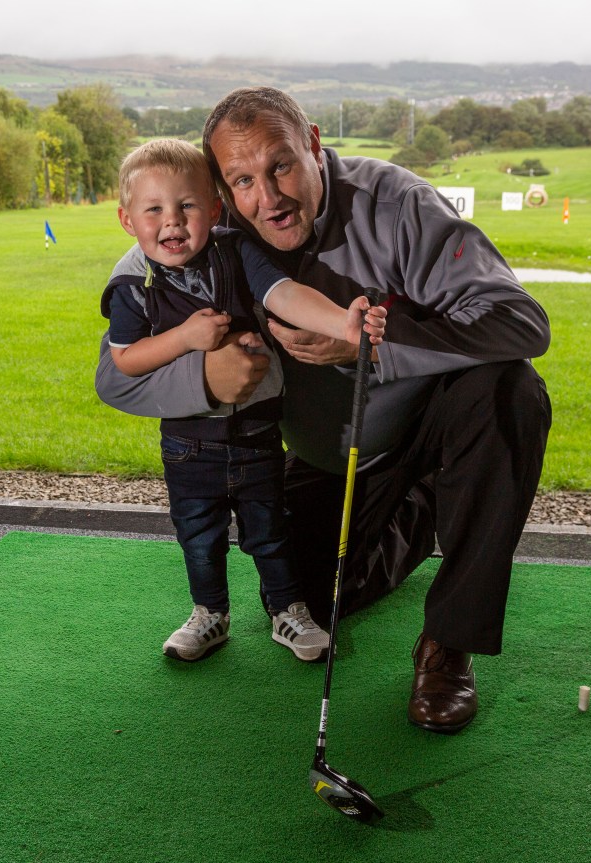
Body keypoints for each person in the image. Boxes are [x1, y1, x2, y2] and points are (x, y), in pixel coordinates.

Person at [96, 88, 552, 734]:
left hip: (431, 421)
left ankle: (449, 642)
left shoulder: (397, 205)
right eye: (243, 181)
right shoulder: (197, 234)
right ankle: (425, 510)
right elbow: (114, 378)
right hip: (327, 459)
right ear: (221, 192)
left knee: (514, 391)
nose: (269, 198)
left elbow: (522, 323)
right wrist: (204, 375)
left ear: (312, 143)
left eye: (281, 166)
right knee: (302, 594)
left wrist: (370, 345)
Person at [105, 138, 387, 664]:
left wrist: (341, 322)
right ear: (127, 220)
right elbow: (125, 359)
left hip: (257, 434)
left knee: (270, 531)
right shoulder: (132, 284)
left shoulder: (235, 250)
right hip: (189, 444)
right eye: (154, 210)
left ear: (214, 210)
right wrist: (186, 339)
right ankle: (209, 614)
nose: (173, 222)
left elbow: (283, 293)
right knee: (198, 535)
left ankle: (288, 610)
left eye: (188, 206)